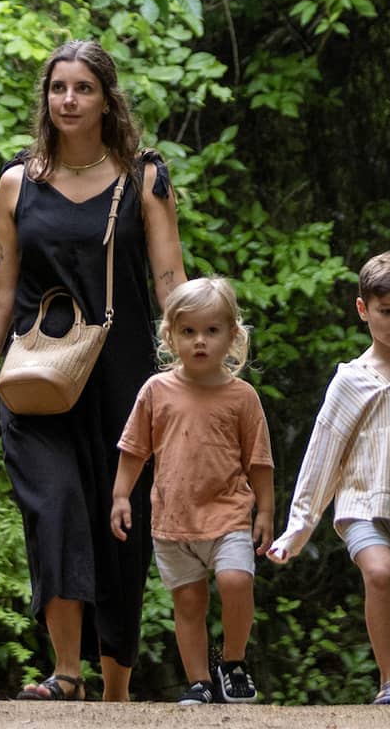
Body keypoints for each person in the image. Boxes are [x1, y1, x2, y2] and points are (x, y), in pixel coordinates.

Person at [0, 40, 185, 701]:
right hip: (39, 378)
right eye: (59, 88)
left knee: (120, 529)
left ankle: (114, 691)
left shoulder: (144, 177)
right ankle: (64, 672)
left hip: (124, 379)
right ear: (45, 97)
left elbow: (170, 280)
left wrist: (198, 369)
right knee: (53, 508)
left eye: (84, 88)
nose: (70, 101)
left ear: (107, 98)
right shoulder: (16, 183)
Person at [269, 249, 390, 706]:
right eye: (386, 311)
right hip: (359, 506)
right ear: (363, 310)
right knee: (381, 573)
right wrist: (298, 528)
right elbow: (323, 453)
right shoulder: (349, 380)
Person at [113, 276, 275, 706]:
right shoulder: (156, 391)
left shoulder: (243, 398)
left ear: (232, 336)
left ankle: (233, 663)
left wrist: (266, 512)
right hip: (173, 521)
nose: (200, 341)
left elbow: (260, 461)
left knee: (236, 580)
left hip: (229, 516)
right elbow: (133, 450)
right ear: (170, 337)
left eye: (211, 331)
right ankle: (200, 682)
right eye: (188, 332)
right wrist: (120, 497)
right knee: (188, 602)